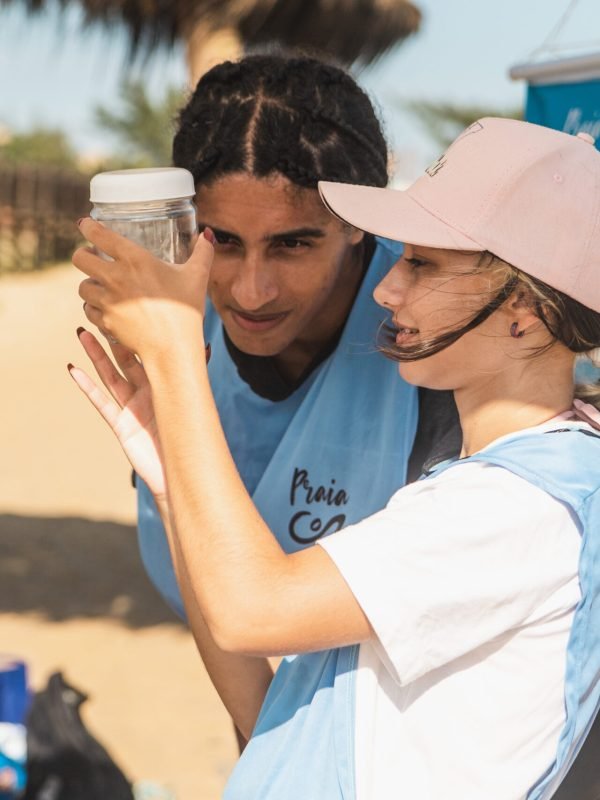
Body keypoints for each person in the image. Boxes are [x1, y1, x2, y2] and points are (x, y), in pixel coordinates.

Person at [69, 117, 600, 799]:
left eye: (422, 264)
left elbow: (251, 610)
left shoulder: (519, 509)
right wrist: (173, 482)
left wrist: (176, 355)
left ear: (523, 308)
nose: (386, 289)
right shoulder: (491, 490)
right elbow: (277, 722)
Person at [135, 54, 460, 621]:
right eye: (223, 241)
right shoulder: (170, 324)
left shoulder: (443, 345)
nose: (250, 291)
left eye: (292, 245)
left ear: (360, 222)